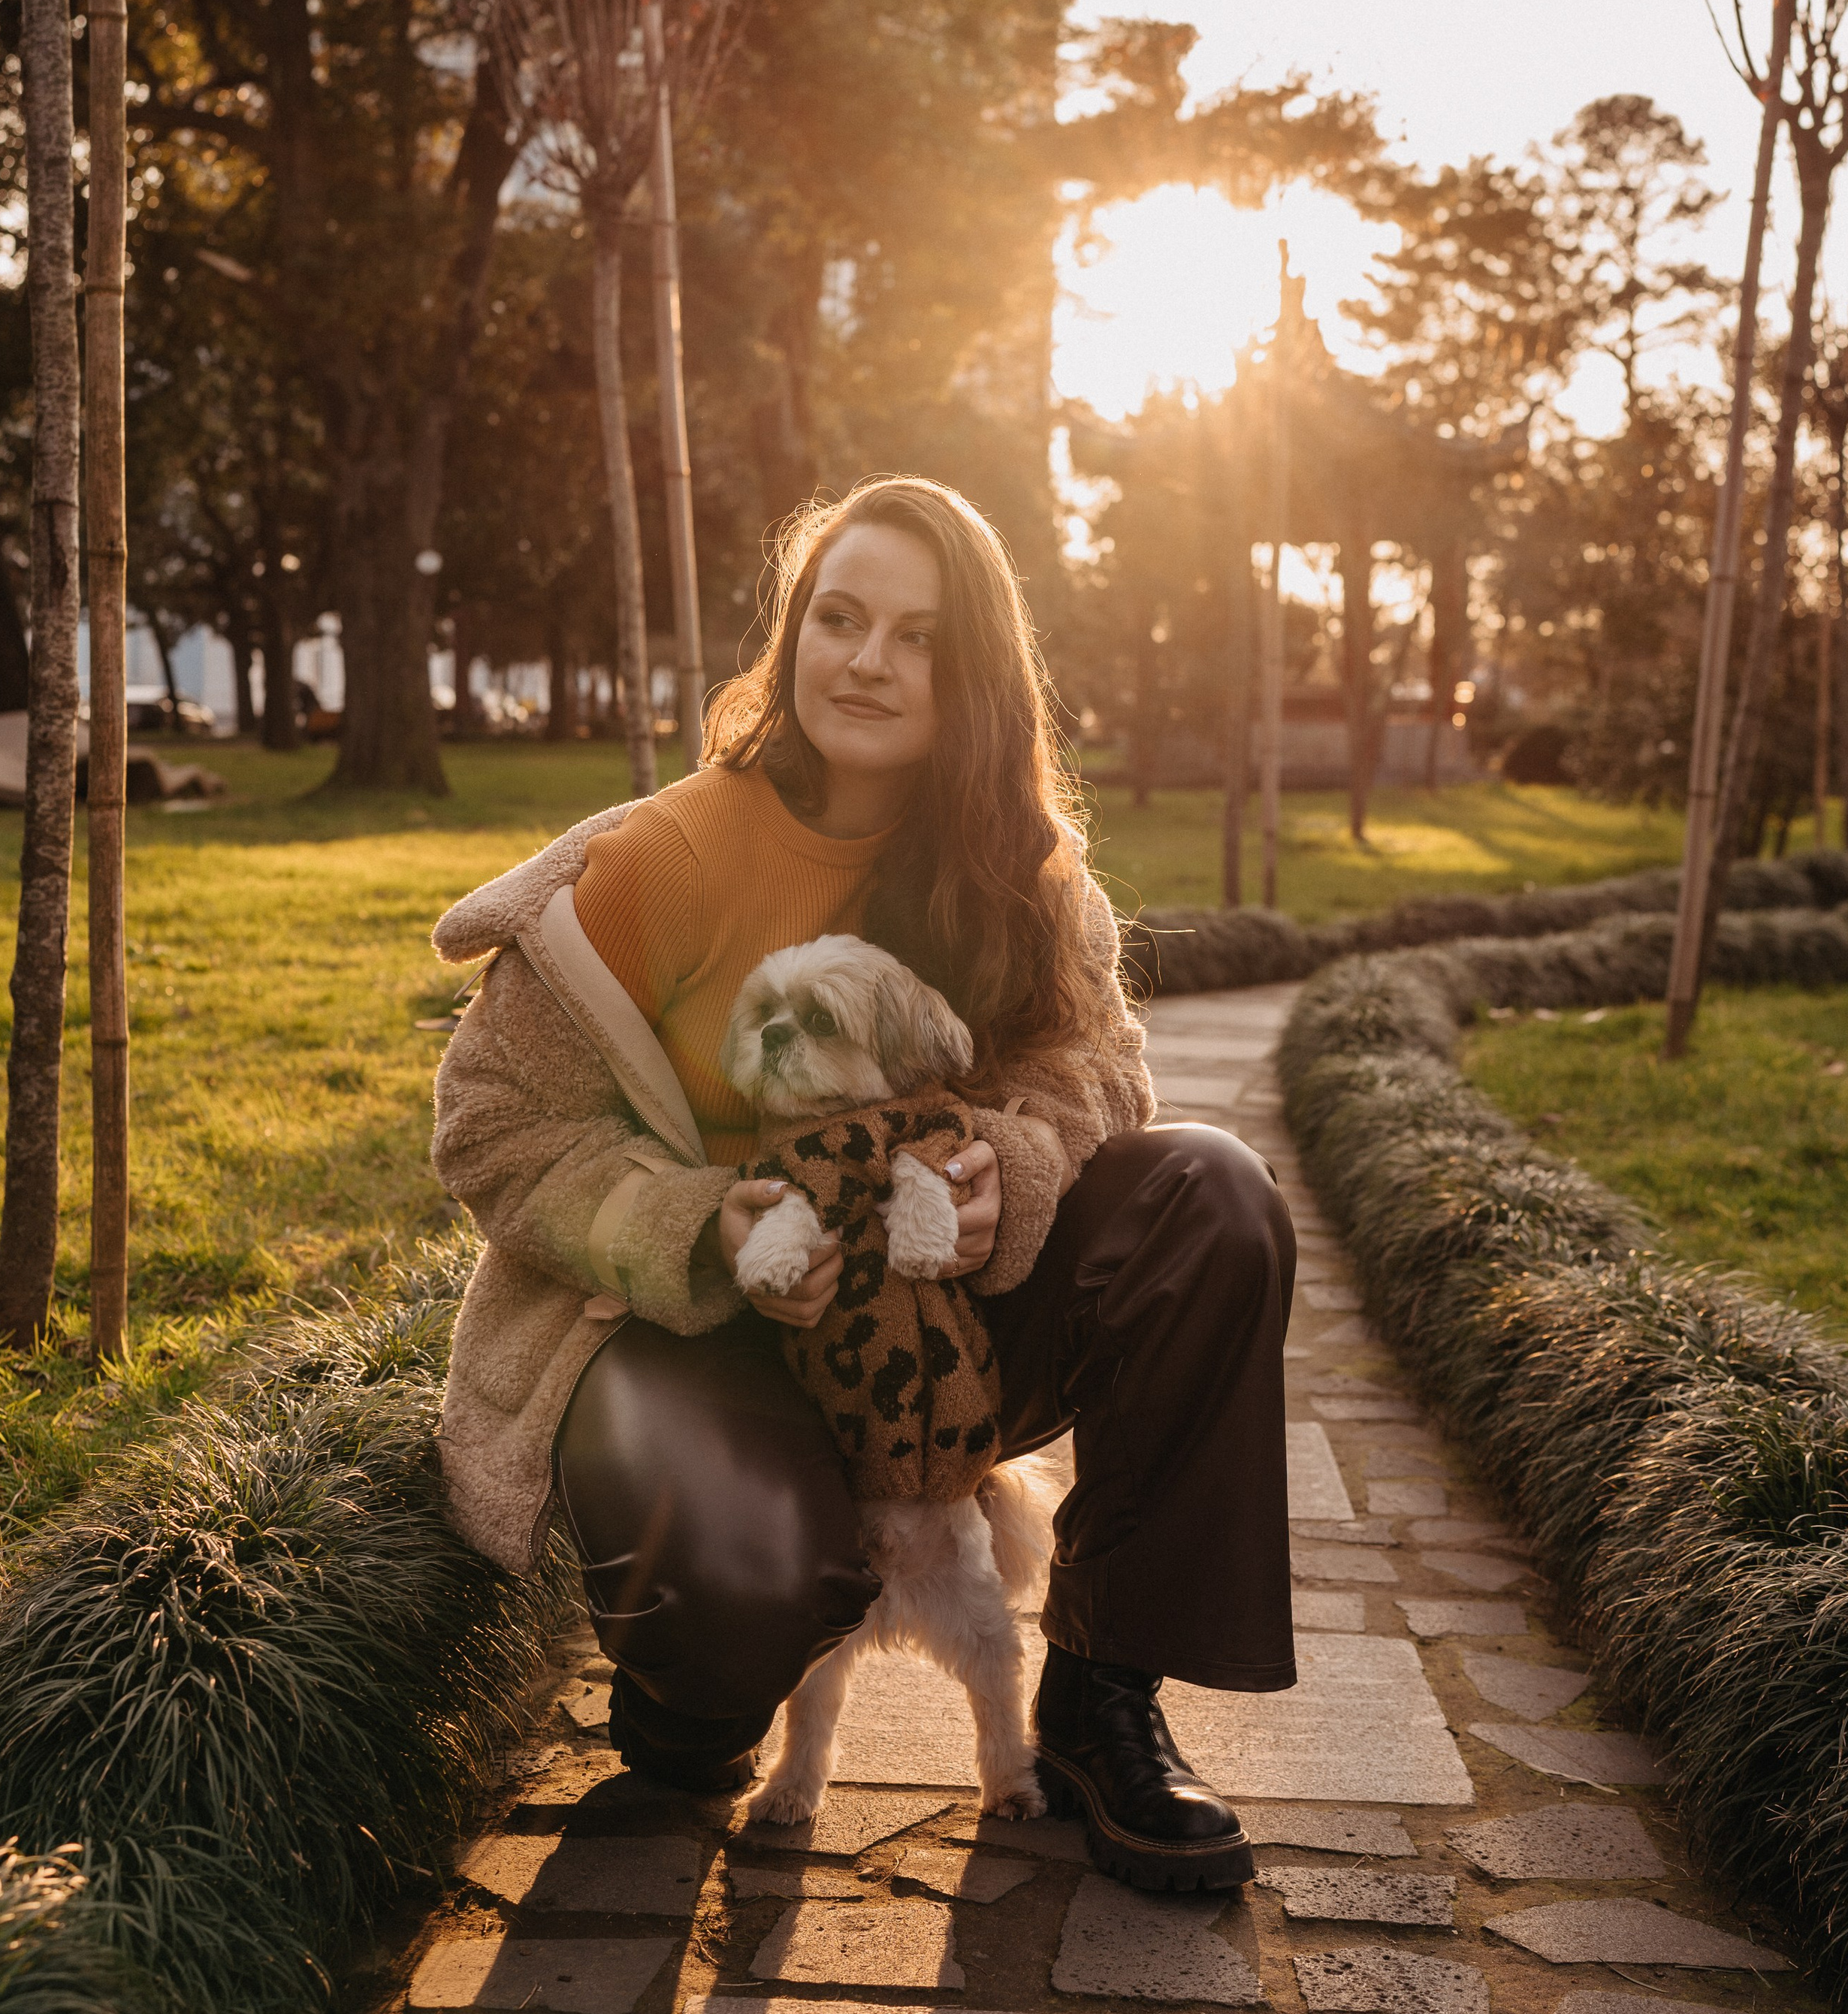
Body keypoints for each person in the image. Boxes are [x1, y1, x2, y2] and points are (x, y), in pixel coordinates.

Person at [429, 476, 1296, 1891]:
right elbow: (493, 1126)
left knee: (1214, 1196)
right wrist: (700, 1223)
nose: (869, 662)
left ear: (977, 676)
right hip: (704, 1343)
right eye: (839, 619)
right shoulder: (665, 859)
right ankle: (692, 1683)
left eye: (919, 637)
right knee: (746, 1618)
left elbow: (1101, 1074)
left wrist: (1010, 1171)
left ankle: (1101, 1694)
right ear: (792, 639)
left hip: (935, 1336)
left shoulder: (1019, 867)